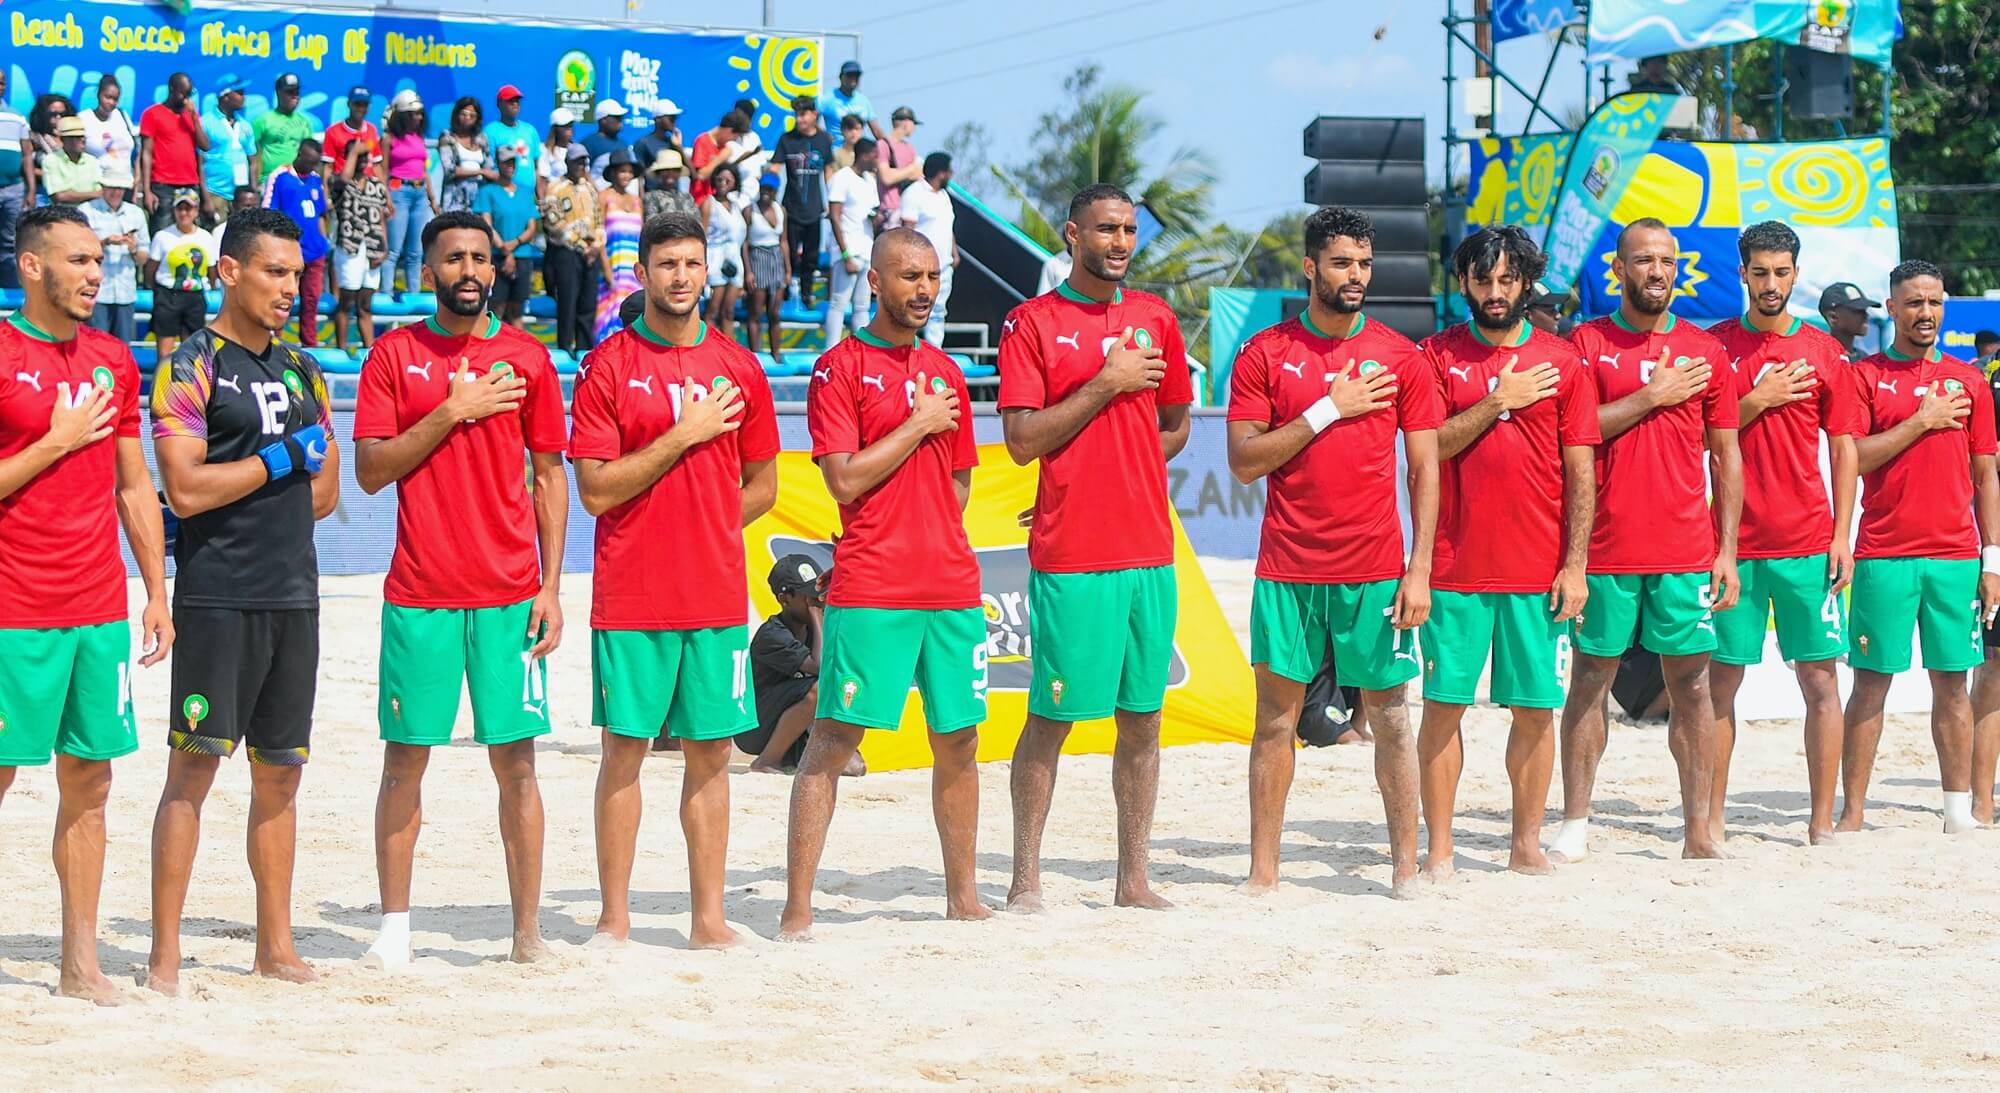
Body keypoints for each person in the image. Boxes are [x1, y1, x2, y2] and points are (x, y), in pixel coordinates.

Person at [352, 210, 569, 969]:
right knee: (405, 761)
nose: (469, 269)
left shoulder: (528, 358)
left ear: (494, 267)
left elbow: (549, 477)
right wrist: (452, 410)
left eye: (480, 257)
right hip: (420, 594)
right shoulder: (395, 353)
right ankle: (394, 929)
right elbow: (370, 471)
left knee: (518, 765)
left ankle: (527, 933)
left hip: (511, 596)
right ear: (429, 270)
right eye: (453, 258)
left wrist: (551, 586)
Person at [567, 210, 780, 949]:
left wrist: (706, 524)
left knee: (712, 755)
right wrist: (683, 435)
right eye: (667, 264)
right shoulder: (608, 365)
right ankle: (613, 919)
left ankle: (708, 920)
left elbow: (764, 485)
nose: (681, 276)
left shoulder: (740, 367)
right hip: (631, 593)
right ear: (643, 273)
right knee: (624, 750)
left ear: (706, 270)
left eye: (692, 263)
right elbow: (595, 490)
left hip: (715, 593)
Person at [145, 207, 340, 996]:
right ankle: (164, 954)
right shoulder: (190, 364)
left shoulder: (304, 370)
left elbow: (326, 494)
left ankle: (274, 945)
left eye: (296, 274)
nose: (288, 288)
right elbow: (185, 490)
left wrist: (291, 467)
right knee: (192, 771)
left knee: (281, 775)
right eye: (273, 272)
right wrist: (279, 461)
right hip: (218, 596)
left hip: (295, 594)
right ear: (229, 271)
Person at [1225, 207, 1442, 897]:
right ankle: (1264, 872)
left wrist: (1419, 570)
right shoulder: (1264, 352)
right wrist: (1328, 408)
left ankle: (1404, 867)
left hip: (1375, 571)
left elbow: (1425, 470)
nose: (1356, 276)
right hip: (1287, 569)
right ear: (1310, 266)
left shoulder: (1401, 356)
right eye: (1343, 262)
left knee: (1392, 719)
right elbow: (1243, 462)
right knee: (1274, 721)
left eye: (1365, 264)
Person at [781, 227, 988, 939]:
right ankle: (797, 907)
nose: (924, 289)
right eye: (909, 276)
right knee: (834, 740)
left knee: (959, 740)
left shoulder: (947, 370)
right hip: (872, 583)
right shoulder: (838, 368)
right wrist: (917, 424)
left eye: (931, 276)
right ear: (874, 281)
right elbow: (843, 478)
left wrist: (929, 521)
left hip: (950, 584)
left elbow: (959, 484)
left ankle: (963, 896)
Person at [999, 184, 1193, 913]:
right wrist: (1106, 385)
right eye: (1107, 229)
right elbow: (1022, 441)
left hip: (1149, 550)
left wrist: (1110, 467)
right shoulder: (1031, 322)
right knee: (1052, 718)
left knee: (1143, 719)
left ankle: (1133, 879)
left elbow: (1176, 425)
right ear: (1072, 234)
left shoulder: (1156, 318)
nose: (1120, 243)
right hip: (1073, 555)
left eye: (1130, 230)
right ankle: (1025, 879)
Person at [0, 205, 173, 1006]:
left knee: (91, 781)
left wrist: (156, 590)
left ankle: (79, 963)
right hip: (14, 608)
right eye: (77, 260)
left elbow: (134, 485)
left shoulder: (112, 358)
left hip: (98, 605)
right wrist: (56, 440)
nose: (95, 275)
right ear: (32, 265)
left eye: (98, 261)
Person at [1553, 218, 1738, 863]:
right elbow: (1573, 433)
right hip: (1605, 549)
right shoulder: (1586, 342)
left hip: (1685, 550)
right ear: (1618, 270)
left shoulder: (1705, 350)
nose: (1656, 271)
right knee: (1590, 681)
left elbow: (1726, 456)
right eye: (1642, 260)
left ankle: (1697, 832)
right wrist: (1651, 395)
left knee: (1694, 688)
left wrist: (1726, 550)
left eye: (1666, 261)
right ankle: (1575, 824)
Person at [1416, 225, 1597, 878]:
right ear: (1464, 283)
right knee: (1443, 708)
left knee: (1535, 711)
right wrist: (1497, 402)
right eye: (1483, 279)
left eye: (1507, 279)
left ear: (1526, 282)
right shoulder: (1435, 355)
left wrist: (1575, 565)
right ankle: (1440, 848)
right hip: (1453, 567)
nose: (1495, 291)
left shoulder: (1563, 362)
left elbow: (1581, 472)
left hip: (1537, 572)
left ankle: (1525, 845)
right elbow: (1427, 448)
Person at [1704, 221, 1863, 846]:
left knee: (1820, 681)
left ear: (1796, 274)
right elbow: (1697, 438)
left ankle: (1821, 821)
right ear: (1742, 273)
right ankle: (1711, 819)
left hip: (1807, 544)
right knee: (1721, 683)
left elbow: (1845, 449)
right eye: (1760, 271)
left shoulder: (1825, 351)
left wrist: (1841, 536)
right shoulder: (1715, 346)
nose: (1770, 283)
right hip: (1731, 549)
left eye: (1781, 272)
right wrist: (1758, 397)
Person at [1839, 259, 1999, 836]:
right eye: (1913, 303)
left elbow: (1986, 475)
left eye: (1933, 302)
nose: (1924, 313)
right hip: (1883, 555)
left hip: (1955, 559)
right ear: (1892, 308)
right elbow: (1854, 459)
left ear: (1944, 305)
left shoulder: (1970, 381)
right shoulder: (1865, 376)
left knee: (1953, 685)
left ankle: (1957, 812)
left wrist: (1992, 561)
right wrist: (1922, 420)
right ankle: (1852, 813)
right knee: (1870, 684)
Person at [738, 555, 862, 774]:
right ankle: (766, 761)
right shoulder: (772, 635)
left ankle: (802, 749)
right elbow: (820, 667)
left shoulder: (814, 629)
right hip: (757, 725)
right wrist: (816, 615)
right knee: (819, 688)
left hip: (794, 723)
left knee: (855, 768)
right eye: (809, 597)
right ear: (785, 599)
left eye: (819, 594)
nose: (818, 601)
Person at [262, 139, 331, 349]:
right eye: (309, 161)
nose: (312, 166)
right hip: (288, 253)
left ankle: (309, 345)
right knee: (282, 297)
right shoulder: (280, 177)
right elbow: (268, 213)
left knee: (311, 300)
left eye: (315, 163)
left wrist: (324, 241)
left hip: (315, 252)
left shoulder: (316, 179)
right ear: (299, 154)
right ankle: (275, 343)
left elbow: (321, 214)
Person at [147, 189, 219, 370]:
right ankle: (162, 384)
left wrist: (209, 287)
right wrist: (157, 290)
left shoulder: (205, 237)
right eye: (180, 209)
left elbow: (211, 268)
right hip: (168, 295)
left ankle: (189, 385)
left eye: (189, 209)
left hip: (194, 296)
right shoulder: (163, 236)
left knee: (192, 351)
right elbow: (151, 269)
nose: (184, 213)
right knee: (165, 353)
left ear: (196, 211)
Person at [330, 142, 390, 353]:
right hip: (350, 246)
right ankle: (341, 350)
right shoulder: (338, 181)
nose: (363, 160)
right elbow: (344, 179)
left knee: (365, 304)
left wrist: (384, 247)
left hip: (373, 247)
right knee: (346, 302)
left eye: (366, 156)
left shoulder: (376, 185)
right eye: (359, 156)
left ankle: (369, 352)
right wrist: (354, 150)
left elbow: (381, 218)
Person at [541, 144, 601, 354]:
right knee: (568, 302)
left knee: (588, 303)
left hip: (591, 253)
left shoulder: (590, 188)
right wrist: (582, 246)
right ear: (567, 162)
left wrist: (596, 246)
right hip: (567, 252)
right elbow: (554, 224)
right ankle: (565, 348)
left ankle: (584, 349)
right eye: (577, 162)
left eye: (584, 162)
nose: (581, 166)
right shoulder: (555, 188)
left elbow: (599, 220)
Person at [81, 162, 149, 343]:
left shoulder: (136, 213)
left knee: (123, 347)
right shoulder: (86, 211)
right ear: (103, 187)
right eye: (112, 187)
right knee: (95, 346)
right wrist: (104, 243)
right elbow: (78, 251)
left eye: (120, 188)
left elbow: (143, 258)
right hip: (96, 292)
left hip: (125, 292)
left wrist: (133, 249)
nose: (116, 192)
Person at [776, 96, 833, 308]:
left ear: (814, 115)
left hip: (815, 209)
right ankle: (786, 291)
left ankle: (808, 294)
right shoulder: (786, 139)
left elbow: (828, 171)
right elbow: (774, 168)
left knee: (811, 256)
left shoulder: (824, 140)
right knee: (789, 253)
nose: (799, 119)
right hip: (791, 207)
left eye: (803, 115)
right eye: (796, 115)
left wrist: (832, 200)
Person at [474, 146, 540, 328]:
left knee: (517, 310)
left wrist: (515, 244)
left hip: (522, 256)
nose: (510, 166)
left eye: (512, 162)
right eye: (506, 162)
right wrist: (505, 250)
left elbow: (532, 227)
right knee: (497, 308)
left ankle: (518, 345)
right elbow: (487, 224)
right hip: (497, 256)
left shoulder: (526, 192)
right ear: (498, 164)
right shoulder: (488, 192)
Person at [824, 139, 880, 347]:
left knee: (862, 306)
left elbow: (871, 212)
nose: (877, 160)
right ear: (864, 155)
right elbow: (834, 216)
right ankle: (830, 350)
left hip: (866, 250)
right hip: (848, 250)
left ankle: (861, 351)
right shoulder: (842, 178)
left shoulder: (870, 180)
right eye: (874, 156)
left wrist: (877, 218)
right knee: (839, 303)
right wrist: (845, 254)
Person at [137, 73, 208, 232]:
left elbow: (204, 146)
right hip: (163, 185)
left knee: (189, 231)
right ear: (172, 89)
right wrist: (146, 190)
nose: (186, 99)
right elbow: (146, 153)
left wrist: (194, 118)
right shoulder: (152, 114)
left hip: (189, 183)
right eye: (183, 93)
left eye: (189, 94)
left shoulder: (191, 115)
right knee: (163, 231)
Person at [383, 92, 437, 301]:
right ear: (404, 115)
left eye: (420, 113)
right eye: (415, 114)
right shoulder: (389, 139)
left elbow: (424, 171)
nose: (419, 117)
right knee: (394, 249)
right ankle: (386, 294)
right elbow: (383, 171)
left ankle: (413, 295)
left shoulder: (418, 138)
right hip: (399, 192)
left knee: (416, 251)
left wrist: (432, 199)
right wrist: (386, 198)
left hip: (419, 193)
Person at [900, 154, 958, 346]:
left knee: (938, 311)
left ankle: (935, 353)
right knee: (914, 309)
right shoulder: (914, 193)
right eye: (949, 171)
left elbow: (947, 227)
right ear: (941, 173)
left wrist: (954, 253)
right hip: (920, 268)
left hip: (944, 266)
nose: (951, 175)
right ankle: (906, 350)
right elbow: (907, 232)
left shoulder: (944, 196)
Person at [594, 150, 643, 341]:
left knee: (634, 315)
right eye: (623, 171)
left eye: (630, 172)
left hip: (634, 270)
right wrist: (606, 269)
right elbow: (598, 235)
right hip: (612, 264)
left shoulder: (637, 201)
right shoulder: (604, 196)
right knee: (608, 316)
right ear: (613, 173)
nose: (627, 175)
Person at [743, 178, 789, 363]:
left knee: (774, 312)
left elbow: (784, 241)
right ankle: (755, 354)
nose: (766, 192)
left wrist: (788, 270)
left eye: (770, 189)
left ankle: (776, 352)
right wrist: (748, 271)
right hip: (757, 257)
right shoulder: (750, 211)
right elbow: (744, 243)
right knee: (756, 310)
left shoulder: (781, 210)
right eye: (764, 188)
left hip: (776, 258)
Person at [201, 82, 259, 225]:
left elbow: (252, 162)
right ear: (225, 96)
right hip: (216, 192)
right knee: (217, 233)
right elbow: (199, 164)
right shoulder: (206, 123)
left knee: (242, 234)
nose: (244, 97)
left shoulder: (245, 125)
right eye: (239, 93)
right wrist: (206, 198)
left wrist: (254, 192)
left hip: (242, 196)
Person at [701, 163, 747, 341]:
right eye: (719, 179)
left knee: (729, 311)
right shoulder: (709, 203)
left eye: (728, 179)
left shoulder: (736, 205)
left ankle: (730, 350)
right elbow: (702, 237)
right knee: (712, 310)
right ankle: (708, 348)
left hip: (735, 259)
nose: (723, 183)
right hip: (715, 259)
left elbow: (743, 239)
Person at [0, 70, 34, 289]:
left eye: (2, 83)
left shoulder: (17, 117)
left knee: (11, 243)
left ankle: (10, 293)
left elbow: (27, 155)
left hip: (13, 189)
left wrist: (31, 190)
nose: (0, 86)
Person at [253, 74, 315, 182]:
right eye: (290, 92)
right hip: (270, 181)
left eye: (297, 92)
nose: (295, 96)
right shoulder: (262, 120)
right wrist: (255, 183)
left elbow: (311, 155)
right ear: (278, 93)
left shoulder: (305, 122)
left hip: (298, 180)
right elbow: (251, 154)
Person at [320, 86, 382, 193]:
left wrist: (386, 195)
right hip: (343, 190)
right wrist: (326, 195)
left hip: (368, 191)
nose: (361, 109)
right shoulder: (333, 132)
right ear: (349, 104)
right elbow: (328, 168)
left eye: (364, 105)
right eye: (357, 104)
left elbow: (376, 165)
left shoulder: (372, 130)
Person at [439, 97, 494, 213]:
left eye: (472, 115)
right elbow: (449, 170)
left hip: (479, 196)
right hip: (455, 197)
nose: (467, 118)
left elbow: (489, 166)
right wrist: (480, 172)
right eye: (464, 114)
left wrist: (486, 172)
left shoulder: (482, 138)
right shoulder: (447, 137)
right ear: (456, 114)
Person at [483, 85, 540, 192]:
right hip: (503, 193)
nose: (515, 103)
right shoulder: (490, 132)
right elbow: (488, 168)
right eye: (510, 100)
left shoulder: (530, 130)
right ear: (499, 104)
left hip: (528, 196)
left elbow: (537, 167)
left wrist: (540, 196)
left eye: (517, 100)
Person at [79, 74, 137, 178]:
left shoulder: (122, 115)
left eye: (115, 99)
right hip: (97, 183)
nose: (111, 102)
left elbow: (136, 152)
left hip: (126, 182)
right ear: (98, 95)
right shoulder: (83, 118)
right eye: (108, 97)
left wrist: (137, 178)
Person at [689, 111, 752, 206]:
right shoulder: (703, 141)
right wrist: (720, 158)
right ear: (729, 130)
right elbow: (700, 175)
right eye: (737, 137)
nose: (735, 140)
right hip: (700, 202)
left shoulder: (724, 147)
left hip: (716, 203)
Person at [876, 106, 922, 232]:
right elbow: (886, 177)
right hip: (889, 210)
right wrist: (910, 170)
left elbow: (918, 174)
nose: (914, 128)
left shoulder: (909, 148)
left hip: (908, 210)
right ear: (906, 123)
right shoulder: (883, 145)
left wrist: (896, 173)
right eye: (913, 124)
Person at [818, 61, 886, 145]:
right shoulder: (827, 99)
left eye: (856, 75)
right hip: (836, 149)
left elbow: (876, 130)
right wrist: (824, 135)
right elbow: (811, 120)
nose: (853, 78)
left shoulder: (864, 100)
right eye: (849, 75)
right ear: (840, 77)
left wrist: (890, 147)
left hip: (859, 150)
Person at [43, 116, 104, 208]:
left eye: (83, 136)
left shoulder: (92, 160)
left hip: (92, 212)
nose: (83, 140)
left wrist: (72, 194)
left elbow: (102, 193)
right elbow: (59, 197)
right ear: (63, 139)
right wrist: (92, 194)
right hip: (63, 213)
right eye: (77, 137)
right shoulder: (51, 160)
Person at [631, 103, 684, 191]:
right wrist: (642, 198)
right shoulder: (643, 143)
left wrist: (679, 147)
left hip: (674, 195)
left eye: (675, 118)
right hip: (653, 194)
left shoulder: (673, 142)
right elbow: (639, 176)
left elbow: (692, 174)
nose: (674, 122)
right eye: (671, 118)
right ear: (658, 119)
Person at [1818, 282, 1879, 357]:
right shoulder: (1820, 357)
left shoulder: (1864, 358)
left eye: (1865, 310)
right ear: (1833, 317)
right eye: (1858, 310)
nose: (1866, 315)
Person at [643, 149, 698, 222]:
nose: (670, 173)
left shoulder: (687, 197)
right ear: (658, 173)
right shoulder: (651, 197)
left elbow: (697, 223)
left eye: (675, 169)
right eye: (666, 169)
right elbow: (652, 223)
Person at [582, 100, 629, 181]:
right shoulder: (589, 144)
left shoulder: (624, 144)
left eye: (621, 117)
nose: (620, 120)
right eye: (616, 117)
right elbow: (583, 172)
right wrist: (595, 188)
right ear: (603, 120)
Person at [538, 108, 578, 202]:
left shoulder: (577, 149)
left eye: (570, 125)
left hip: (574, 199)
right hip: (553, 199)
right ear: (555, 128)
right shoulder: (545, 150)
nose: (569, 128)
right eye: (565, 126)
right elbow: (542, 180)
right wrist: (543, 202)